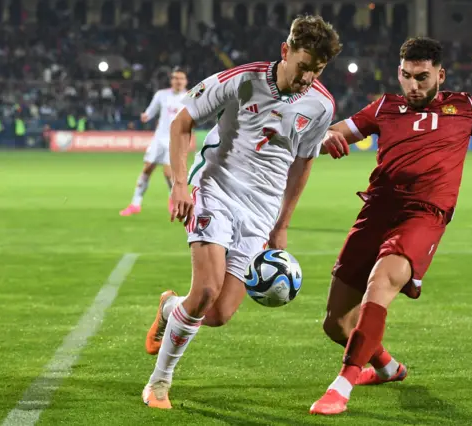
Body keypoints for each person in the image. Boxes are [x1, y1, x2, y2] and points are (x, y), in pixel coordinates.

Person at [310, 37, 472, 415]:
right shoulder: (385, 107)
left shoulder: (467, 108)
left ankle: (341, 385)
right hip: (376, 211)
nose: (413, 85)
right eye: (406, 76)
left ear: (440, 74)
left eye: (422, 77)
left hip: (425, 213)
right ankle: (388, 367)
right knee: (335, 324)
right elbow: (337, 132)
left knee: (380, 283)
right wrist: (327, 137)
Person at [142, 15, 343, 409]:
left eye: (316, 70)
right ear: (285, 52)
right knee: (204, 291)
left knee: (217, 314)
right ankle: (158, 384)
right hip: (215, 189)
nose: (307, 78)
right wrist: (180, 185)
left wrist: (282, 224)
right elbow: (184, 122)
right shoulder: (242, 80)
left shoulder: (321, 105)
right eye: (303, 66)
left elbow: (303, 164)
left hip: (260, 212)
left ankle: (169, 307)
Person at [119, 67, 188, 216]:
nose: (178, 81)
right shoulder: (161, 95)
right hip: (159, 138)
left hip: (175, 141)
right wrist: (145, 116)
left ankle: (173, 200)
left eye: (181, 78)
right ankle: (135, 204)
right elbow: (151, 111)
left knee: (169, 173)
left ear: (186, 81)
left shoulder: (190, 98)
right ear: (171, 80)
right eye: (175, 78)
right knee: (147, 168)